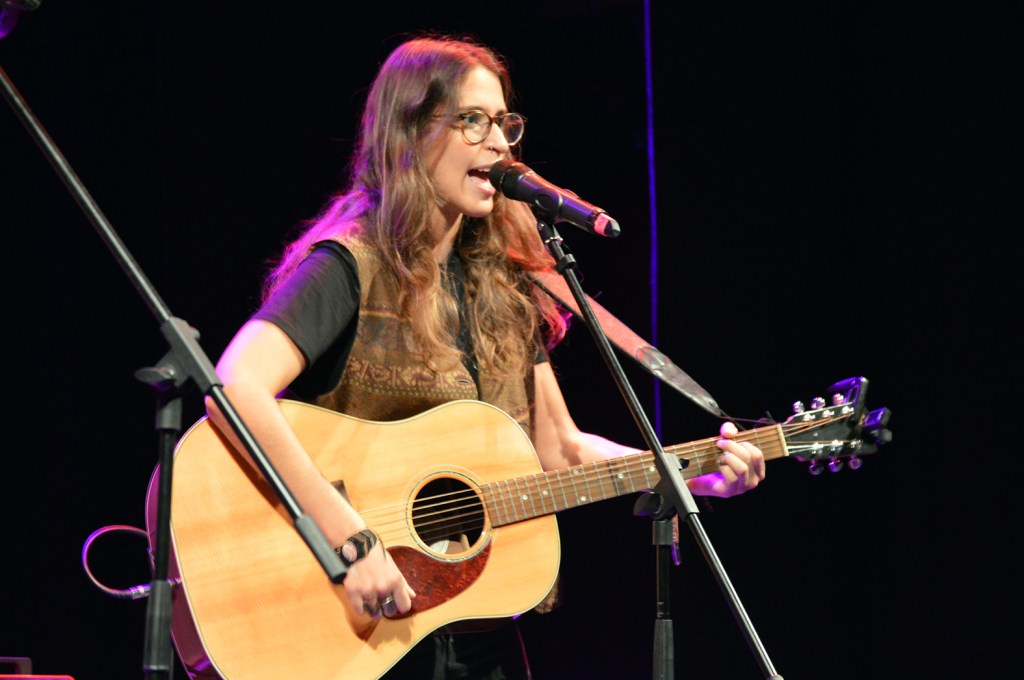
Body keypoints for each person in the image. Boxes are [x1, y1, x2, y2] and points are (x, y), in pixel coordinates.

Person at [206, 35, 766, 679]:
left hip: (474, 630)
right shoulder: (349, 265)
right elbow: (236, 387)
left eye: (503, 122)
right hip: (360, 622)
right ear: (410, 134)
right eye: (472, 120)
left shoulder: (504, 283)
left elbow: (560, 449)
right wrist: (349, 538)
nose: (499, 143)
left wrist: (682, 473)